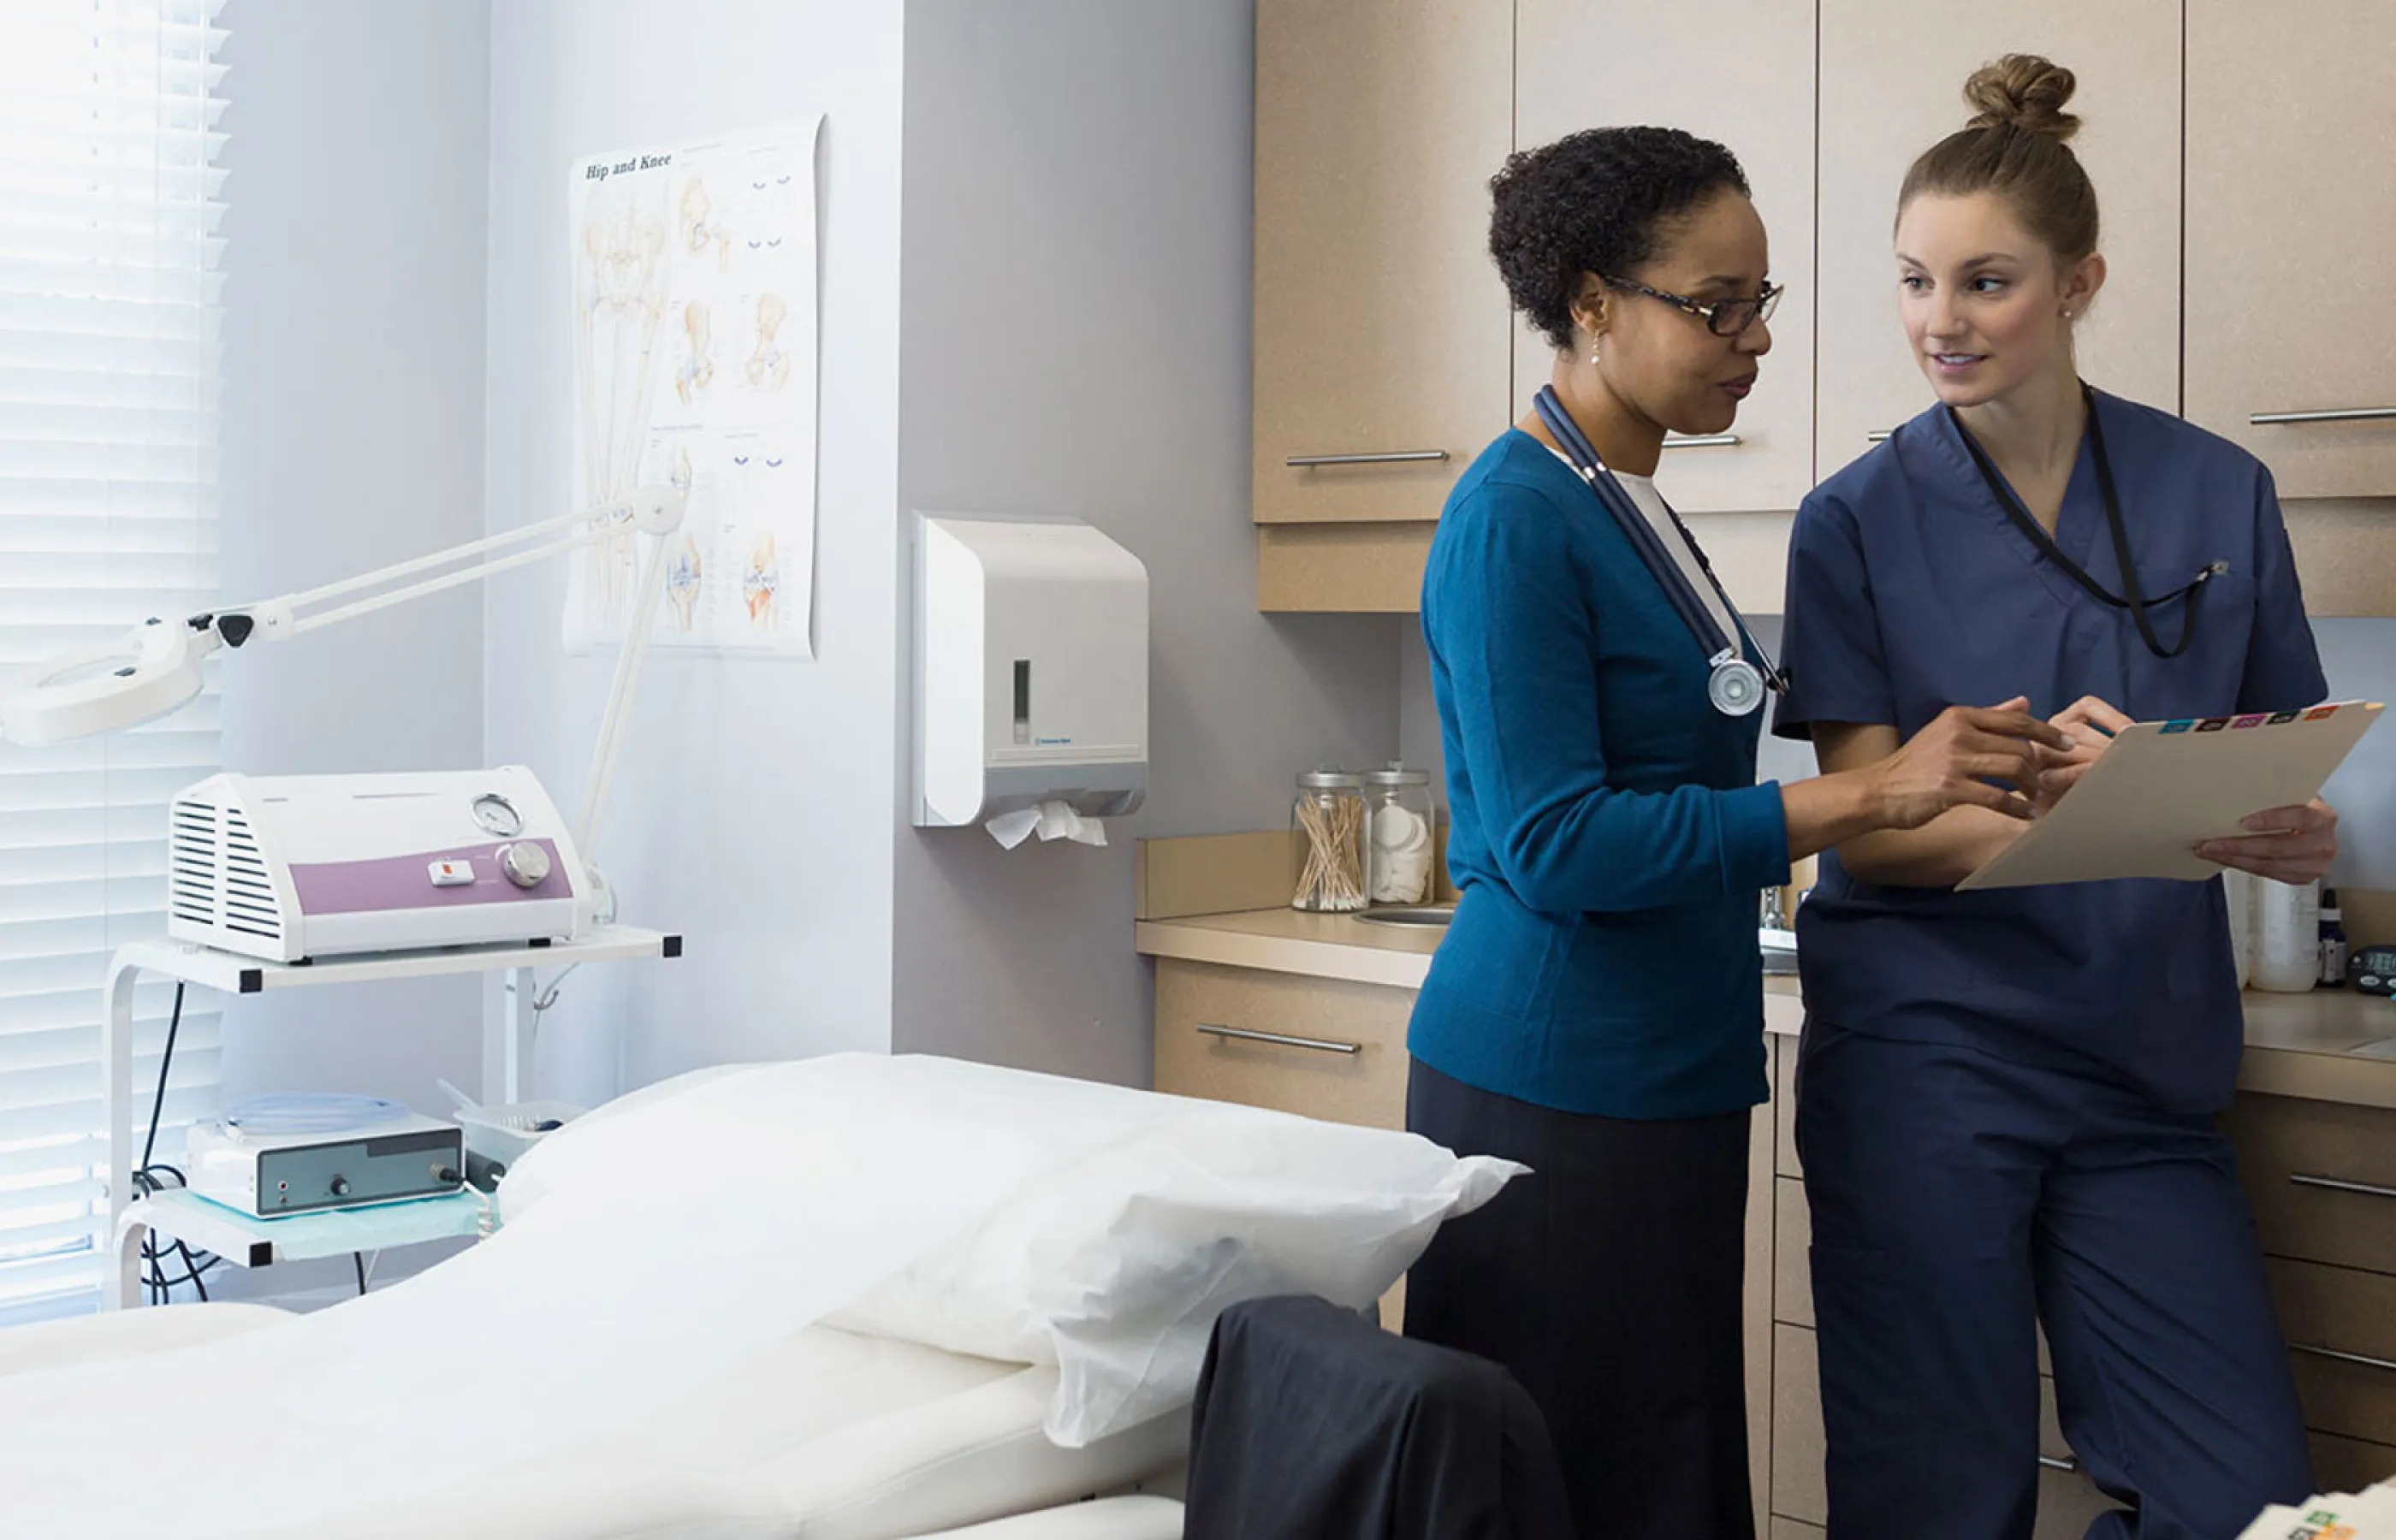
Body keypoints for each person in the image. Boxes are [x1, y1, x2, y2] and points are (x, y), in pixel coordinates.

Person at [1401, 125, 2070, 1540]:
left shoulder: (1629, 498)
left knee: (1668, 1467)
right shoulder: (1514, 519)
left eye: (1760, 299)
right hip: (1552, 1088)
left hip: (1672, 1074)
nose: (1751, 335)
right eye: (1715, 305)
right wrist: (1873, 794)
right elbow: (1556, 842)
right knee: (1569, 1486)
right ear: (1591, 304)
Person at [1775, 55, 2338, 1540]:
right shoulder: (1852, 524)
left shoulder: (2218, 491)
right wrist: (2106, 814)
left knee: (2248, 1504)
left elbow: (2283, 758)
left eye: (1985, 283)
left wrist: (2282, 827)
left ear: (2082, 282)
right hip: (1929, 1064)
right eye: (1913, 283)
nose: (1938, 323)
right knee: (1938, 1502)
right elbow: (1869, 819)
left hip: (2144, 1064)